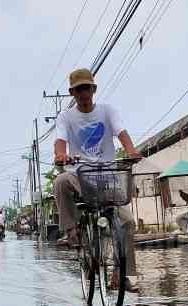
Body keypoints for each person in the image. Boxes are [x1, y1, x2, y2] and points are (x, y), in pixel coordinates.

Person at [53, 68, 141, 293]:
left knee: (128, 222)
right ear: (72, 92)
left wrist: (131, 151)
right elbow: (60, 139)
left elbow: (121, 132)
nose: (84, 92)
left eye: (87, 87)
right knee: (61, 181)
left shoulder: (107, 111)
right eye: (79, 89)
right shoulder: (66, 116)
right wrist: (60, 155)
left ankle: (123, 276)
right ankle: (72, 231)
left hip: (107, 177)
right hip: (79, 176)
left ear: (94, 89)